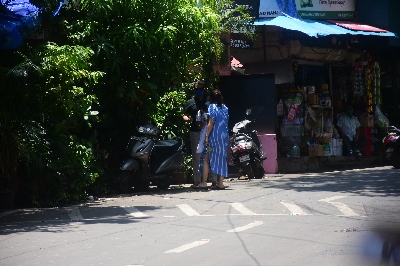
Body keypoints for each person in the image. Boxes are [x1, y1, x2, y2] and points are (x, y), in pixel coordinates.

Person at [203, 89, 229, 190]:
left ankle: (204, 182)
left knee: (206, 158)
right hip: (224, 137)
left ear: (211, 98)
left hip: (214, 137)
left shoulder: (212, 107)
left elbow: (211, 122)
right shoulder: (225, 108)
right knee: (222, 158)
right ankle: (220, 183)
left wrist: (206, 135)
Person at [183, 80, 206, 188]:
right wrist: (189, 120)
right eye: (197, 89)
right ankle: (197, 180)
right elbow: (184, 115)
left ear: (204, 89)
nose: (199, 91)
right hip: (195, 132)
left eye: (200, 89)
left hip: (207, 132)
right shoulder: (190, 102)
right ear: (194, 89)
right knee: (196, 157)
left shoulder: (208, 102)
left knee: (208, 155)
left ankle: (210, 180)